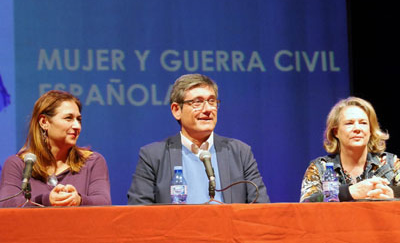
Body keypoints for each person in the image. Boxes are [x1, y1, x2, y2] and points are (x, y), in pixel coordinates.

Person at [127, 74, 269, 204]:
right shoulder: (153, 156)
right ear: (177, 110)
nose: (207, 109)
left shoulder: (239, 152)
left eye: (212, 101)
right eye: (197, 102)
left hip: (230, 231)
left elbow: (261, 209)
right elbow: (139, 213)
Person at [0, 90, 111, 207]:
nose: (77, 126)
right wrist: (46, 199)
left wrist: (79, 200)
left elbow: (104, 202)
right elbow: (6, 204)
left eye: (79, 119)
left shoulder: (92, 162)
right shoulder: (19, 165)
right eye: (68, 118)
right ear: (44, 122)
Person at [300, 96, 400, 202]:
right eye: (349, 123)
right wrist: (350, 192)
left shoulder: (391, 163)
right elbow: (306, 205)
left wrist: (393, 195)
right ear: (335, 132)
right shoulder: (320, 167)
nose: (357, 129)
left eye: (363, 123)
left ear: (370, 130)